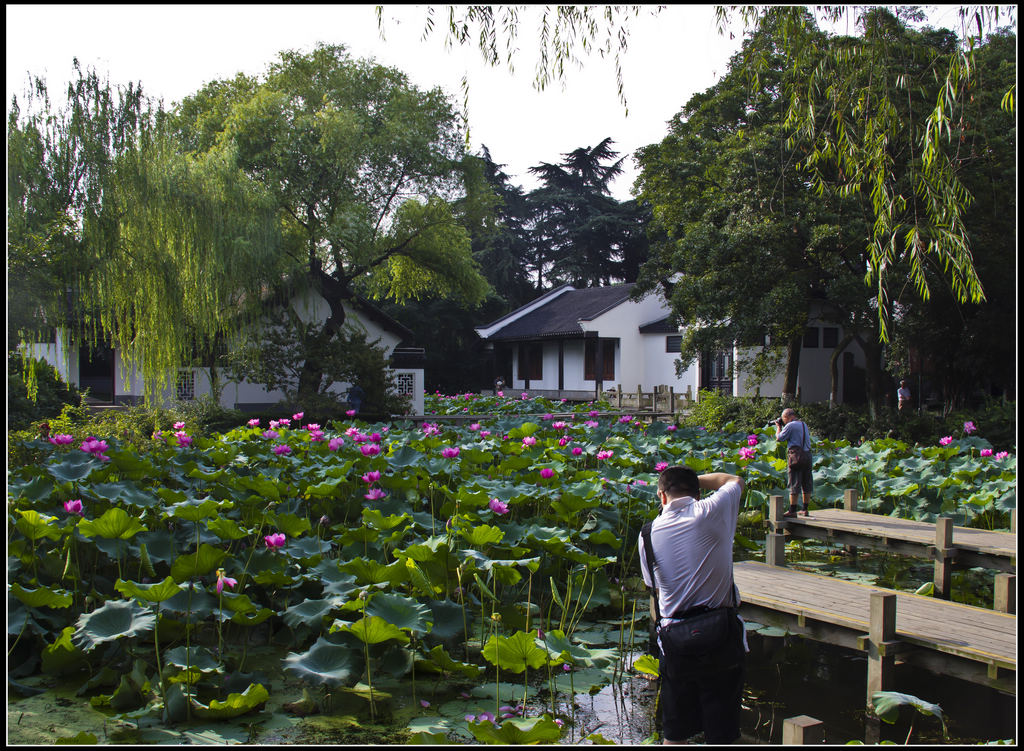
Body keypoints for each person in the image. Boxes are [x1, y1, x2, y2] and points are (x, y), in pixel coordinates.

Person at [639, 465, 747, 745]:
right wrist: (691, 480)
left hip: (677, 642)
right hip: (721, 635)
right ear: (698, 494)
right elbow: (734, 480)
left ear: (662, 496)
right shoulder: (712, 510)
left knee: (675, 733)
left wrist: (671, 482)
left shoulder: (647, 534)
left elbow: (654, 589)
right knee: (722, 734)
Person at [775, 408, 813, 517]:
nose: (784, 421)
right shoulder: (803, 424)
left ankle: (792, 510)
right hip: (807, 455)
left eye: (784, 419)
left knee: (794, 481)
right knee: (807, 481)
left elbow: (779, 438)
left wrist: (778, 427)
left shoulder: (790, 425)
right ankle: (805, 509)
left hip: (796, 456)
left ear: (788, 417)